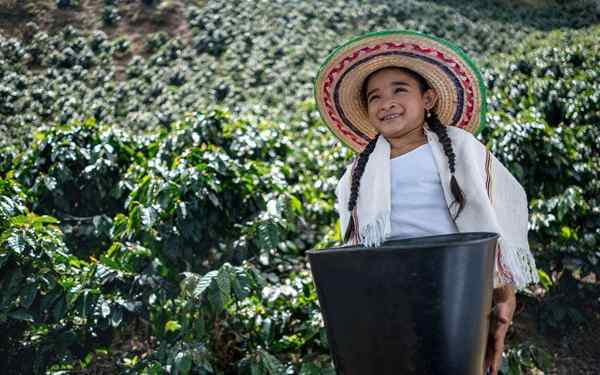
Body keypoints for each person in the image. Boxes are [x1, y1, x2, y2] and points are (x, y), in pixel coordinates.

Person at [314, 30, 539, 375]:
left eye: (399, 90)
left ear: (429, 98)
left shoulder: (461, 149)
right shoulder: (356, 175)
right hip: (390, 292)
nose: (386, 102)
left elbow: (493, 217)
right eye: (374, 97)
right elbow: (356, 247)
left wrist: (502, 295)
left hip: (456, 286)